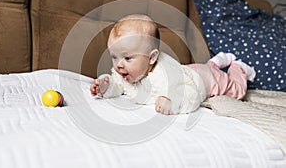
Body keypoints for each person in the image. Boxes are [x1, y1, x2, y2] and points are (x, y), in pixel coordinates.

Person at [90, 14, 256, 115]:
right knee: (206, 67)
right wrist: (106, 85)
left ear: (152, 58)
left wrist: (172, 102)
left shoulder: (167, 76)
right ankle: (216, 61)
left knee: (236, 90)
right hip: (190, 70)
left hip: (207, 80)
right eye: (114, 56)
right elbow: (119, 85)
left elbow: (192, 94)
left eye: (127, 58)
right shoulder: (125, 72)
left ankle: (238, 67)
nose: (119, 65)